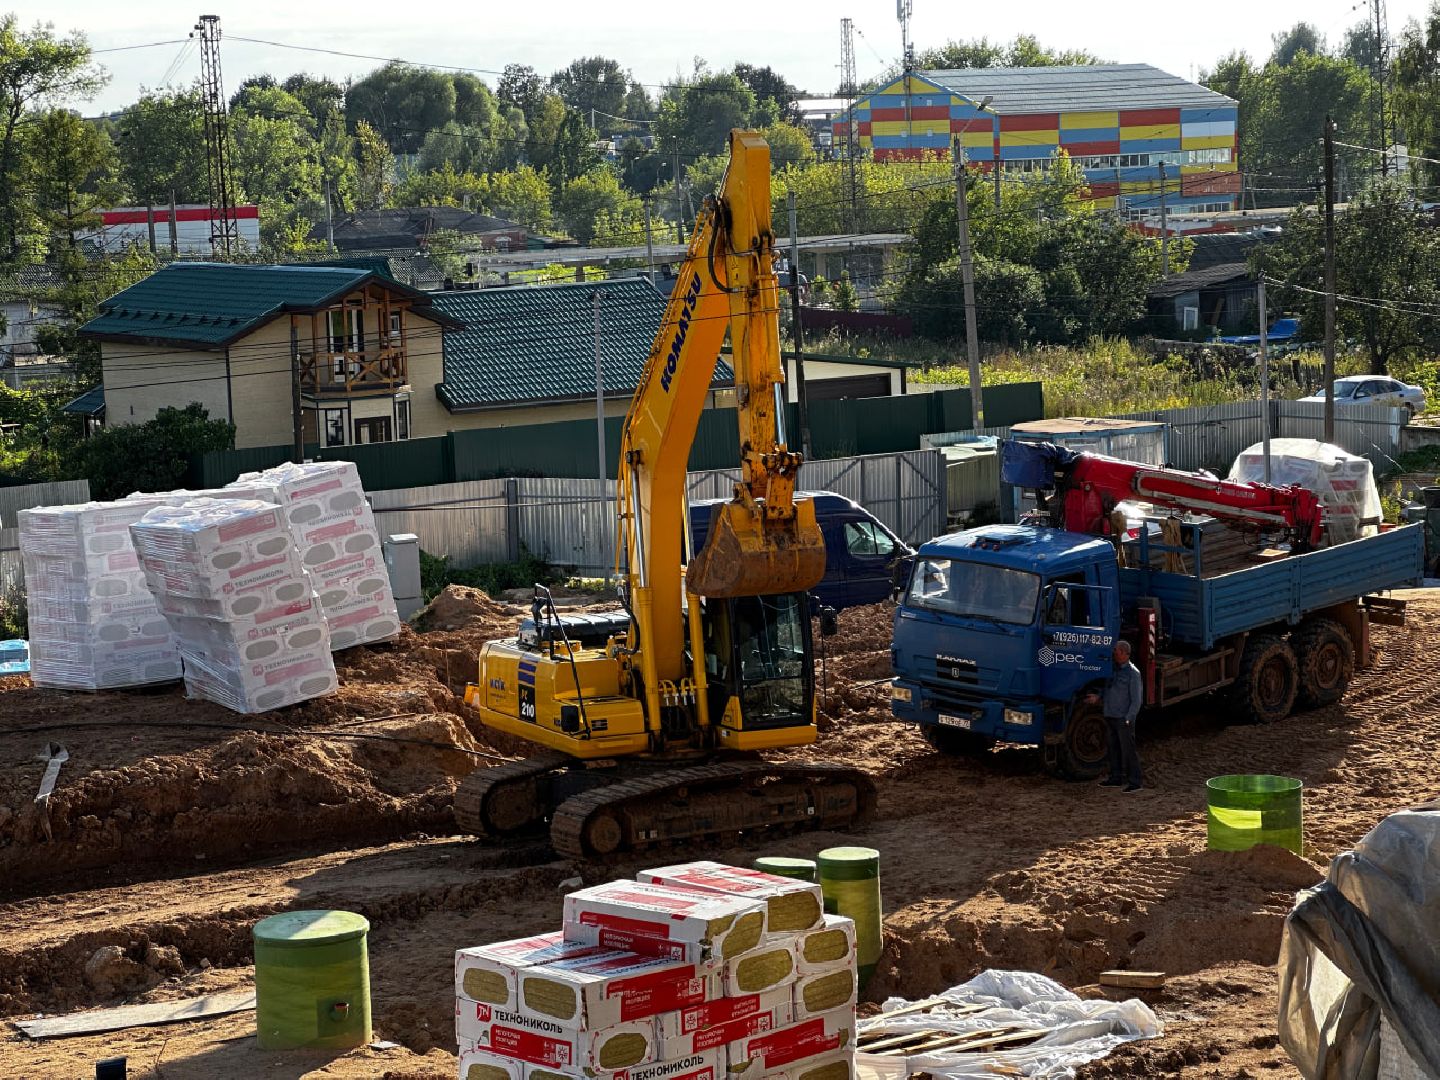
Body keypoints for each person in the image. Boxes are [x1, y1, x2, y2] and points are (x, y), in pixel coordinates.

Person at [1096, 640, 1144, 792]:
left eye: (1116, 651)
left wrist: (1129, 718)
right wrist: (1098, 697)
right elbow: (1108, 689)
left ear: (1124, 653)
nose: (1113, 653)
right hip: (1110, 715)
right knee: (1113, 749)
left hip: (1123, 718)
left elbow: (1137, 700)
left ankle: (1135, 782)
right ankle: (1116, 778)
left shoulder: (1133, 673)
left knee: (1128, 751)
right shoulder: (1113, 670)